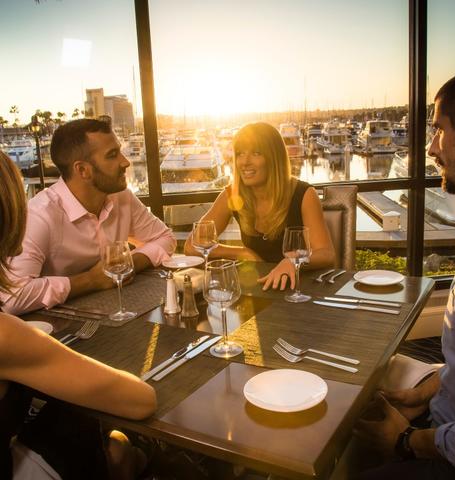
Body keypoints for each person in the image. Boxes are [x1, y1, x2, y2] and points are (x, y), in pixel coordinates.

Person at [355, 65, 455, 479]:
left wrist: (409, 442)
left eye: (438, 130)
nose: (430, 148)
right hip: (441, 420)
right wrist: (421, 395)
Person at [0, 150, 157, 479]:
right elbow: (141, 400)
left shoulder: (121, 199)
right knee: (118, 447)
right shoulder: (6, 337)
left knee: (83, 426)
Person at [0, 119, 176, 315]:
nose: (125, 162)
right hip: (59, 327)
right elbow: (12, 297)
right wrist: (91, 280)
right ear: (82, 170)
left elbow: (166, 238)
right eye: (112, 155)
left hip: (119, 310)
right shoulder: (40, 215)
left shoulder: (121, 197)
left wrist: (129, 264)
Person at [184, 122, 335, 290]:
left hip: (298, 290)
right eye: (240, 154)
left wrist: (292, 262)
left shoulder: (304, 194)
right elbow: (191, 246)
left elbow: (326, 254)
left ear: (274, 158)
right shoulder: (232, 194)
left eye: (256, 153)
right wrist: (243, 253)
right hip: (257, 290)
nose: (244, 162)